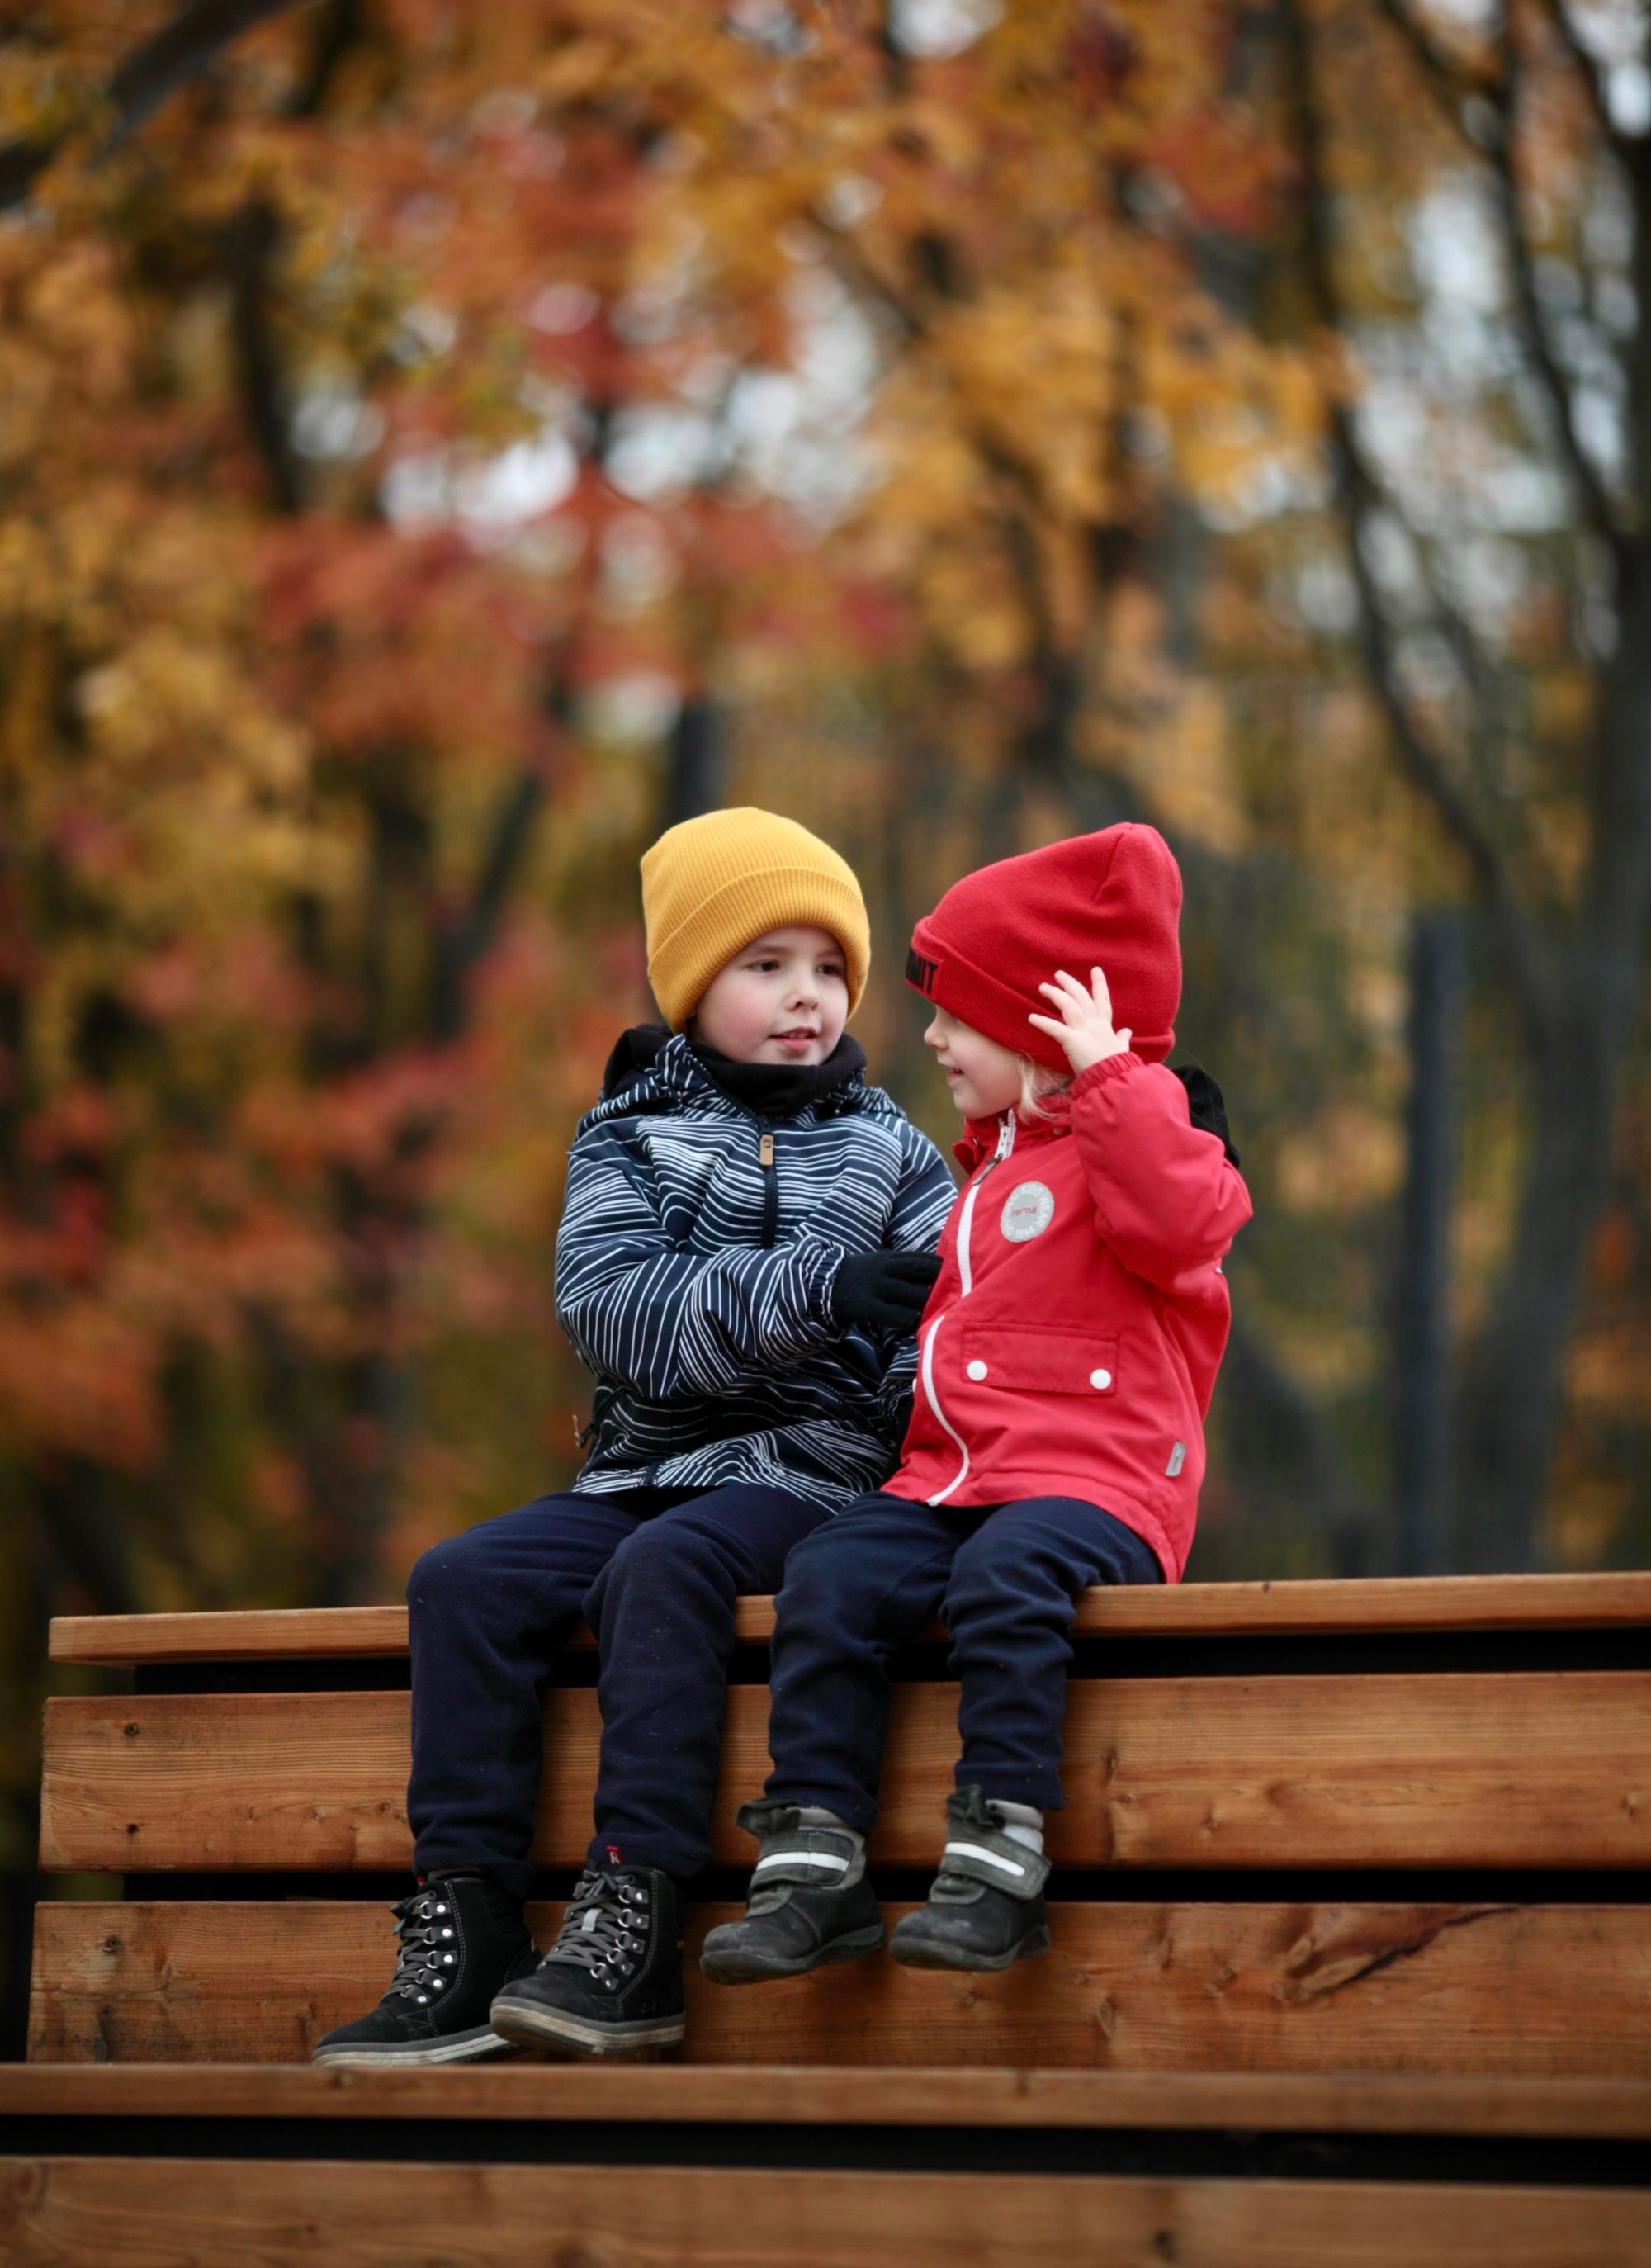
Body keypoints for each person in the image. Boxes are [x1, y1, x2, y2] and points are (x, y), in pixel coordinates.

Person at [311, 808, 953, 2065]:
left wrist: (871, 1393)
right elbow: (616, 1316)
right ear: (690, 984)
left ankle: (632, 1918)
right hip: (642, 1467)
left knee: (660, 1569)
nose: (805, 997)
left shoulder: (902, 1159)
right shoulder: (628, 1138)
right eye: (764, 966)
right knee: (460, 1579)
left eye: (829, 968)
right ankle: (470, 1921)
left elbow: (934, 1355)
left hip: (807, 1479)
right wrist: (816, 1292)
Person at [699, 821, 1251, 1983]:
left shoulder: (1152, 1146)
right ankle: (817, 1860)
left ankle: (998, 1856)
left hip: (1096, 1492)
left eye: (962, 1010)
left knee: (1007, 1577)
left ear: (1050, 1023)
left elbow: (1183, 1226)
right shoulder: (992, 1169)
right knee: (833, 1571)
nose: (936, 1035)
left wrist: (1109, 1082)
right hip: (957, 1483)